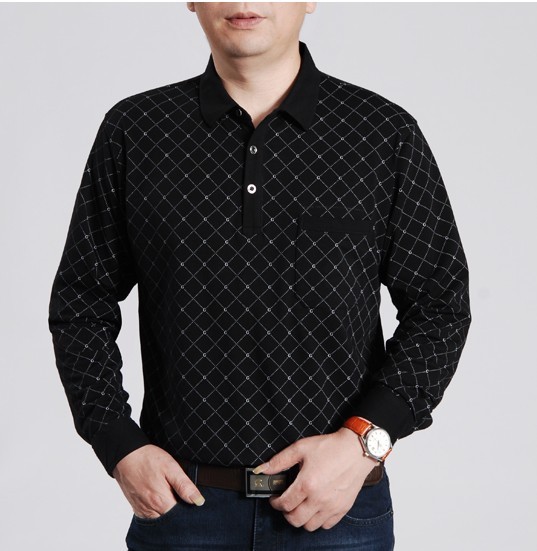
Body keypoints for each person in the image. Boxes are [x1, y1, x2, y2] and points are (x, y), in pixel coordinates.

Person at [47, 2, 472, 550]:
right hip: (183, 511)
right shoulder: (137, 131)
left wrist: (363, 443)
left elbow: (440, 307)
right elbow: (82, 303)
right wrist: (117, 443)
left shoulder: (382, 134)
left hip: (337, 509)